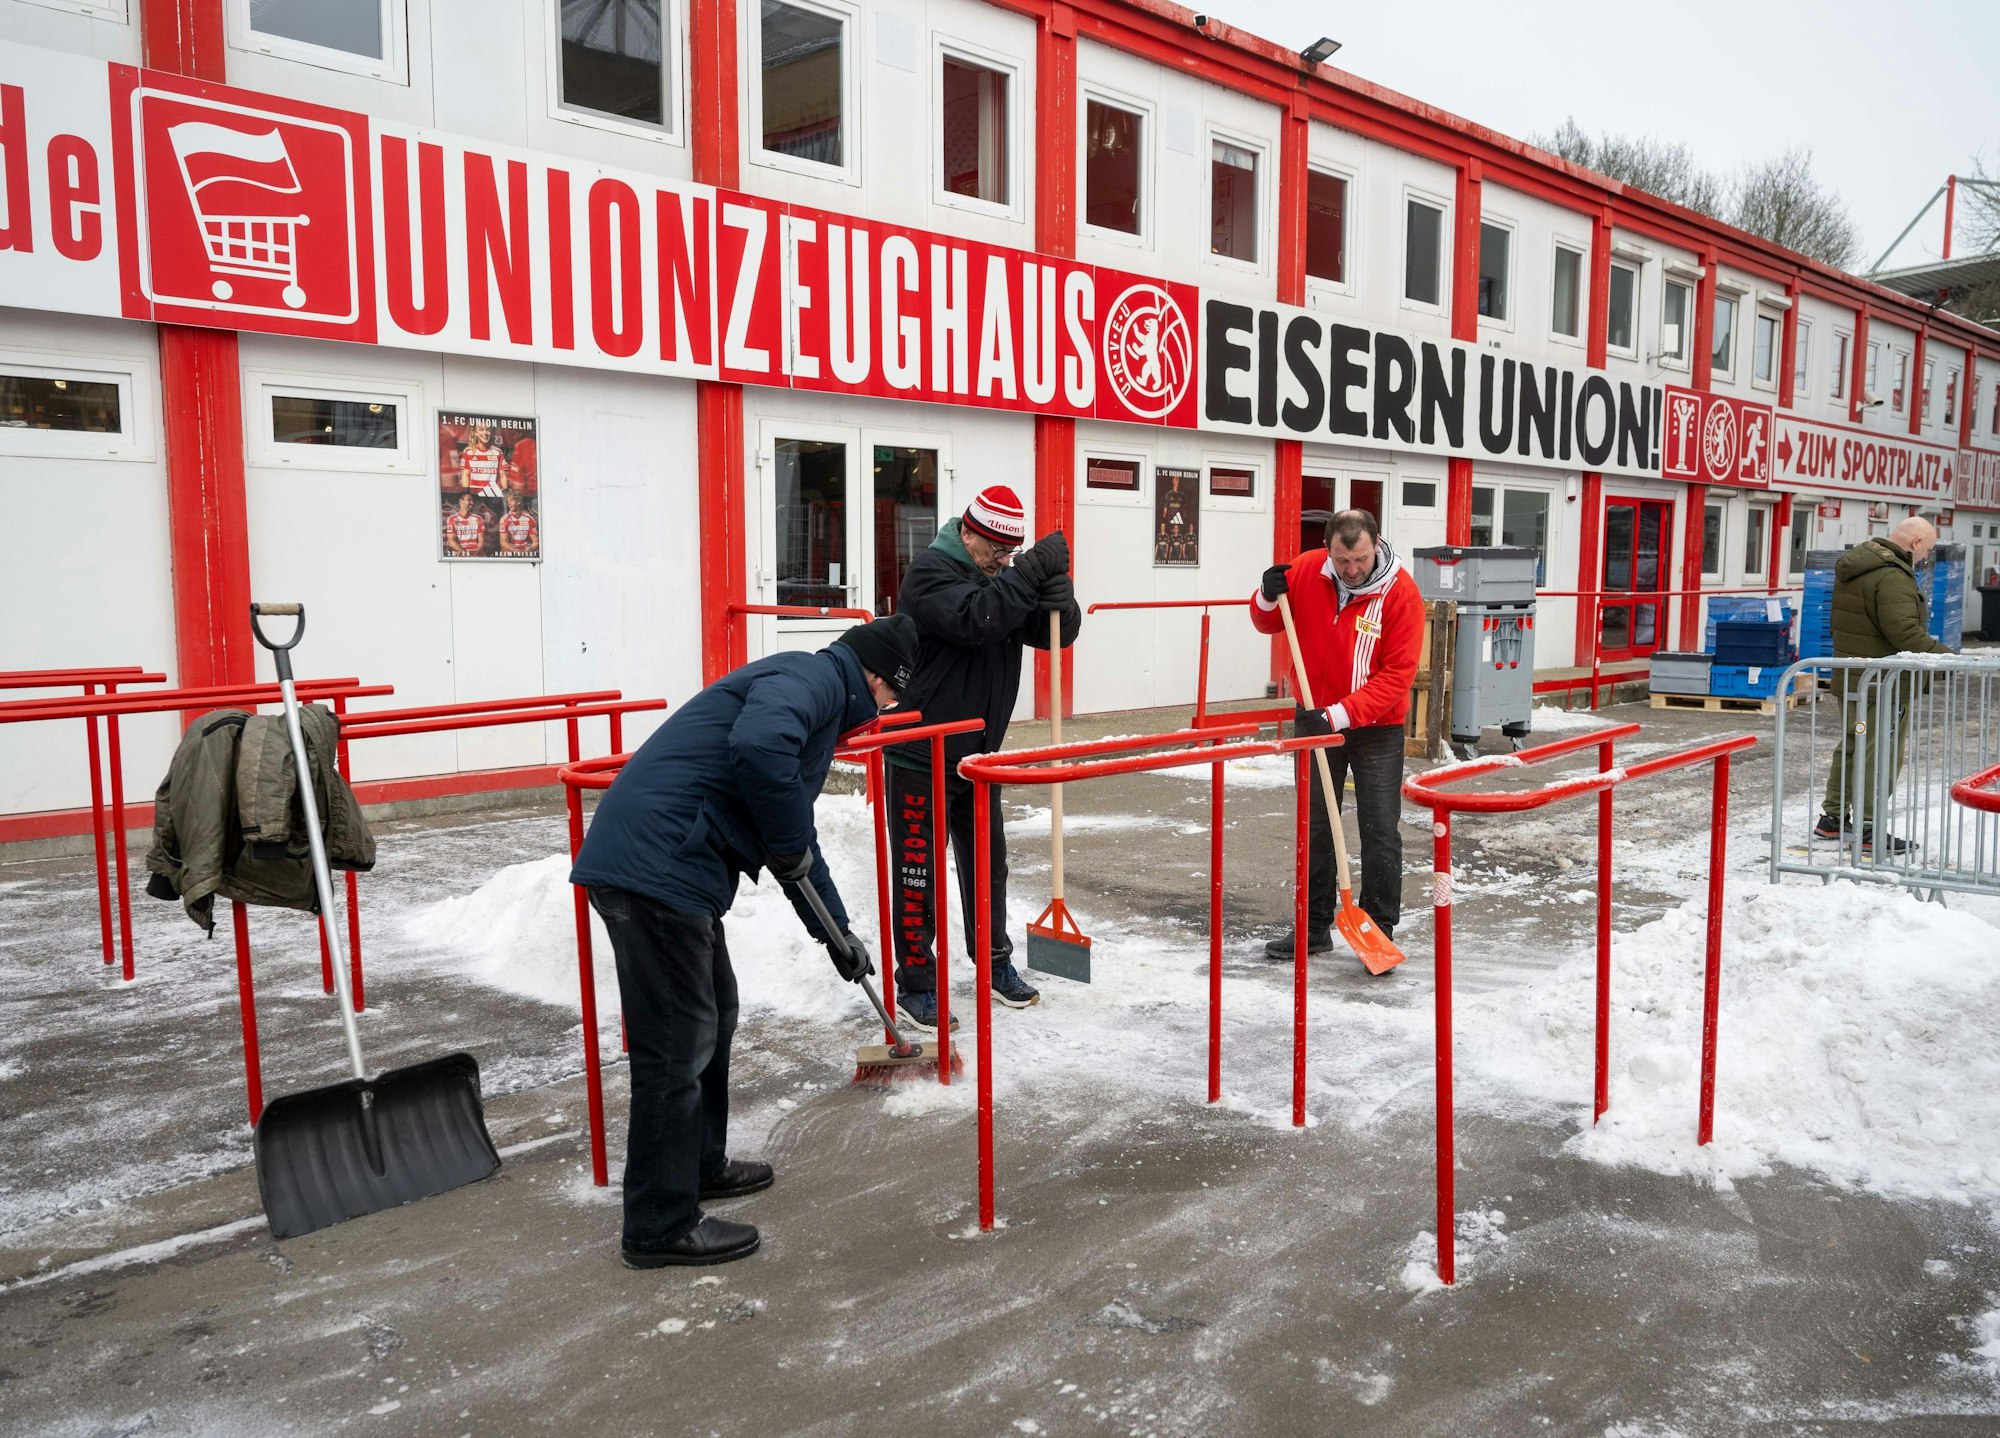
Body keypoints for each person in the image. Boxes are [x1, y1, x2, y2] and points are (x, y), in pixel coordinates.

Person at [570, 614, 918, 1267]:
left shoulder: (814, 691)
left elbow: (794, 838)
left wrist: (836, 933)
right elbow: (760, 751)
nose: (883, 713)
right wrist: (786, 845)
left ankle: (698, 1166)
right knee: (677, 1044)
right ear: (876, 680)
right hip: (656, 868)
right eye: (891, 699)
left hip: (674, 869)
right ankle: (658, 1224)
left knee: (716, 1013)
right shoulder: (812, 679)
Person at [887, 485, 1082, 1030]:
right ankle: (917, 983)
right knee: (917, 874)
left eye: (1010, 552)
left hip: (978, 757)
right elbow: (979, 620)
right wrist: (1028, 573)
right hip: (920, 754)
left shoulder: (1001, 580)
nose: (1002, 560)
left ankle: (994, 963)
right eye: (995, 549)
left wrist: (1060, 597)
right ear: (967, 533)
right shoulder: (930, 573)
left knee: (987, 867)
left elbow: (1054, 635)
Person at [1249, 508, 1424, 958]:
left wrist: (1338, 716)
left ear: (1376, 544)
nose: (1352, 570)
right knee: (1315, 826)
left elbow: (1396, 678)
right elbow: (1268, 621)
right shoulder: (1308, 569)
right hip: (1313, 718)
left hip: (1376, 728)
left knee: (1379, 828)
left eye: (1361, 559)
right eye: (1342, 561)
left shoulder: (1400, 594)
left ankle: (1379, 929)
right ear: (1328, 549)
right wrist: (1266, 596)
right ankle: (1313, 926)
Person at [1816, 516, 1949, 854]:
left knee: (1854, 743)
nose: (1926, 557)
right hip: (1883, 685)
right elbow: (1904, 632)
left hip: (1855, 677)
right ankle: (1868, 828)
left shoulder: (1860, 566)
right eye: (1928, 549)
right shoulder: (1892, 576)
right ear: (1916, 543)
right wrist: (1945, 659)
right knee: (1881, 753)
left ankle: (1834, 818)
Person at [443, 490, 489, 557]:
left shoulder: (478, 518)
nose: (472, 502)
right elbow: (451, 541)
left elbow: (481, 541)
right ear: (460, 501)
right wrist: (465, 554)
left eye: (472, 500)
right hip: (460, 555)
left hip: (476, 555)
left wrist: (475, 555)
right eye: (469, 500)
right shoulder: (452, 519)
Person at [497, 489, 539, 557]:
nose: (509, 504)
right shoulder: (504, 520)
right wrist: (517, 551)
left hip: (525, 550)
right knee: (505, 554)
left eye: (511, 500)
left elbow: (536, 542)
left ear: (518, 502)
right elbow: (503, 543)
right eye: (507, 501)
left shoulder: (529, 519)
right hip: (510, 551)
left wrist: (531, 549)